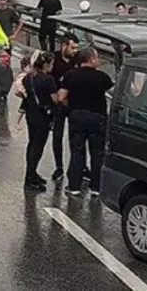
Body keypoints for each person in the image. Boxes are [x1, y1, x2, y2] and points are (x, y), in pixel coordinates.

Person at [58, 47, 114, 197]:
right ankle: (96, 187)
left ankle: (74, 186)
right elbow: (114, 95)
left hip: (77, 116)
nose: (99, 60)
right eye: (97, 58)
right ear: (91, 59)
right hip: (97, 117)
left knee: (77, 151)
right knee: (97, 153)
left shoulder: (70, 75)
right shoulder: (102, 77)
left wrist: (72, 107)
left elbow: (61, 97)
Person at [17, 50, 58, 192]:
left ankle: (32, 173)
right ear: (46, 65)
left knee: (31, 143)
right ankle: (30, 178)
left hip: (31, 114)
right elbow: (54, 99)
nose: (52, 66)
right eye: (51, 64)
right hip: (43, 115)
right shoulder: (48, 80)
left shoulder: (28, 78)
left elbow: (24, 95)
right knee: (38, 146)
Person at [49, 35, 80, 182]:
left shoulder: (78, 60)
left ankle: (78, 166)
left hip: (73, 102)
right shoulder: (53, 59)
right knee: (57, 135)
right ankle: (59, 167)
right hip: (58, 104)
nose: (75, 51)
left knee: (75, 136)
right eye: (72, 47)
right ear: (64, 46)